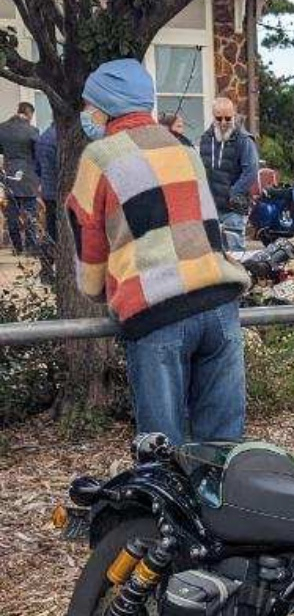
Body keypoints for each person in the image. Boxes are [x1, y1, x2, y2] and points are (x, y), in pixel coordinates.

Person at [66, 59, 250, 447]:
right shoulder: (184, 149)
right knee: (222, 450)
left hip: (156, 311)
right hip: (219, 304)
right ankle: (219, 490)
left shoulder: (99, 158)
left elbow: (91, 257)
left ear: (105, 106)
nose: (86, 113)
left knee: (162, 453)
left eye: (88, 105)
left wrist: (101, 290)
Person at [199, 96, 259, 251]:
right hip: (210, 208)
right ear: (213, 116)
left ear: (234, 115)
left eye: (228, 118)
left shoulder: (244, 139)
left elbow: (251, 171)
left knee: (235, 253)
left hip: (233, 208)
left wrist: (233, 192)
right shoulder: (205, 139)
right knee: (213, 254)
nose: (224, 122)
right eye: (219, 118)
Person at [0, 102, 41, 255]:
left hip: (10, 174)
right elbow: (38, 154)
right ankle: (31, 247)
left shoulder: (2, 128)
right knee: (30, 212)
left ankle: (17, 247)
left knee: (12, 213)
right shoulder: (32, 130)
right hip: (28, 176)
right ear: (29, 113)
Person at [35, 122, 59, 244]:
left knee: (51, 224)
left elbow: (37, 168)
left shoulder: (43, 138)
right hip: (64, 191)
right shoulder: (63, 138)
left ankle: (52, 250)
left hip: (48, 189)